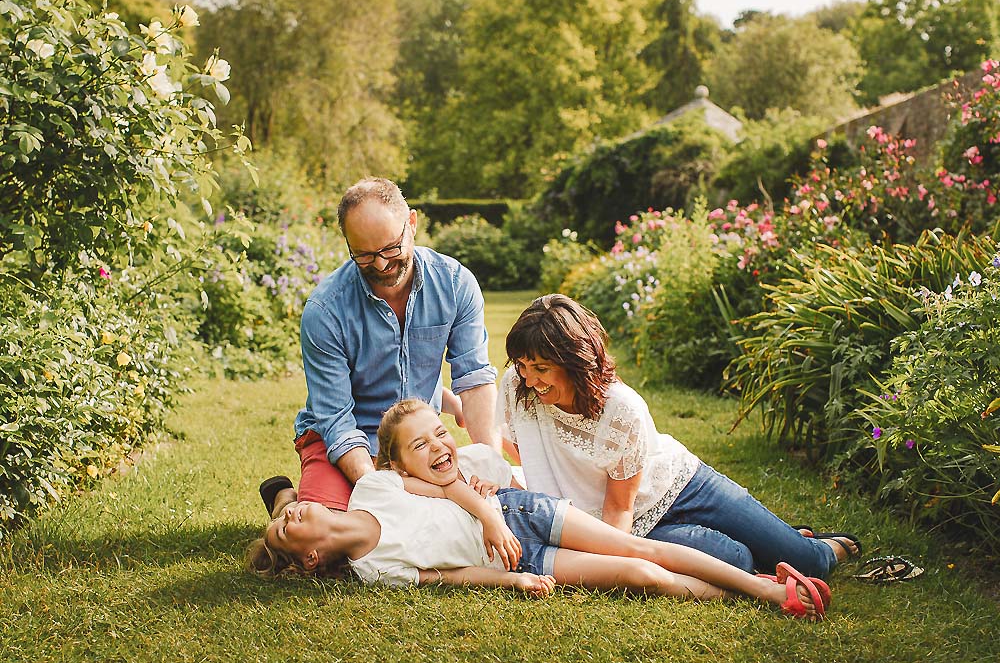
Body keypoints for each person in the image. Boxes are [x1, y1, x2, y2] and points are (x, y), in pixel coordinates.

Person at [249, 399, 830, 620]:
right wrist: (511, 579)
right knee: (637, 575)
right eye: (282, 529)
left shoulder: (375, 488)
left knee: (639, 548)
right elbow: (446, 577)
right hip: (515, 559)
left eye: (285, 510)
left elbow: (452, 489)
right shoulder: (376, 571)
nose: (288, 516)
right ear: (308, 558)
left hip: (521, 515)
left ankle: (770, 592)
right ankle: (756, 588)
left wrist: (493, 518)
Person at [497, 294, 861, 580]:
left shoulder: (621, 408)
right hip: (630, 525)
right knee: (739, 559)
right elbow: (515, 446)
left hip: (683, 486)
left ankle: (823, 548)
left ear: (575, 362)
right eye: (523, 366)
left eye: (541, 368)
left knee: (805, 563)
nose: (530, 380)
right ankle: (768, 542)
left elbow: (618, 507)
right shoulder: (517, 387)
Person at [262, 177, 501, 517]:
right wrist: (380, 488)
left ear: (412, 224)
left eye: (390, 249)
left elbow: (474, 380)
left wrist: (487, 464)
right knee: (331, 542)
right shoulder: (326, 311)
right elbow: (336, 420)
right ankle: (286, 499)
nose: (381, 265)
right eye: (364, 256)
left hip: (415, 443)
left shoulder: (454, 284)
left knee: (454, 523)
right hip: (344, 438)